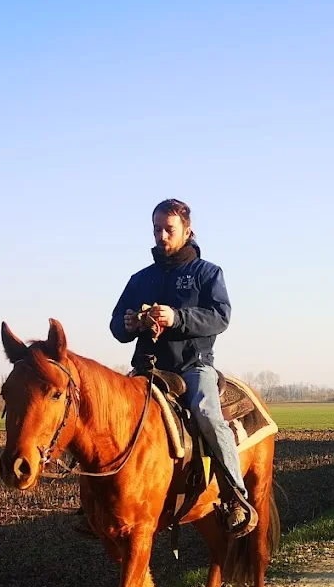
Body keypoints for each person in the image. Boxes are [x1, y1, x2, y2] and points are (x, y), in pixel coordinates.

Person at [109, 198, 257, 537]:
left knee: (206, 413)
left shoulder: (207, 273)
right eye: (156, 229)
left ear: (186, 231)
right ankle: (96, 505)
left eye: (168, 230)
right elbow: (116, 326)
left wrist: (177, 317)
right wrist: (129, 323)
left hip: (193, 366)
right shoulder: (139, 279)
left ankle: (236, 496)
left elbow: (221, 316)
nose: (161, 236)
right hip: (148, 369)